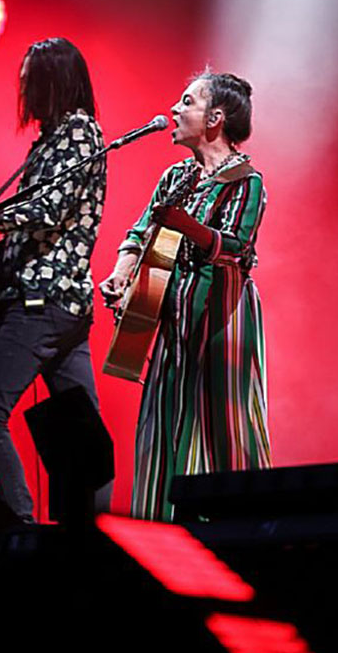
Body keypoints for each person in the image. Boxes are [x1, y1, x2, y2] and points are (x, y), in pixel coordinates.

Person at [0, 37, 110, 523]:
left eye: (31, 77)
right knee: (81, 430)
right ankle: (90, 535)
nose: (23, 86)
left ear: (55, 80)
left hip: (43, 302)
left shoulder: (78, 135)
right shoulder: (55, 138)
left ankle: (21, 525)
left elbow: (47, 211)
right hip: (61, 305)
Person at [99, 70, 270, 521]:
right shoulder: (176, 176)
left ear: (215, 117)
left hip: (220, 322)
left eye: (187, 102)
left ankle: (240, 529)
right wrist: (121, 274)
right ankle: (162, 526)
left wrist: (186, 226)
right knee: (164, 419)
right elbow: (141, 233)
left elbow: (236, 247)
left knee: (222, 424)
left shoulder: (245, 181)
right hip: (170, 318)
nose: (175, 111)